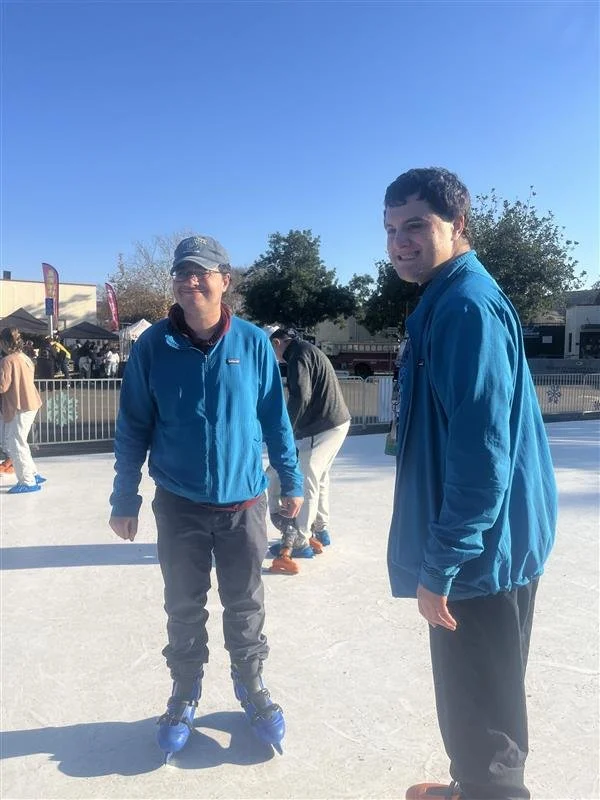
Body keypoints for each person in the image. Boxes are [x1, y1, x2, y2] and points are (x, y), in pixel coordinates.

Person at [382, 168, 557, 800]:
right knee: (482, 695)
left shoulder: (464, 307)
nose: (400, 241)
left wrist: (443, 562)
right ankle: (472, 787)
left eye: (416, 226)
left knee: (482, 716)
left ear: (458, 226)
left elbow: (482, 454)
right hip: (487, 544)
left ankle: (485, 791)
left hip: (480, 553)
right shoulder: (446, 298)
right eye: (391, 229)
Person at [108, 234, 303, 759]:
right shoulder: (153, 347)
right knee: (183, 606)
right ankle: (185, 688)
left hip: (244, 503)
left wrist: (292, 479)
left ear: (224, 281)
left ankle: (251, 684)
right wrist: (124, 496)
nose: (190, 281)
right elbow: (132, 427)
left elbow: (274, 419)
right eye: (182, 273)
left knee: (245, 603)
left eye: (201, 272)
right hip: (180, 505)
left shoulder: (254, 343)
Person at [265, 327, 351, 574]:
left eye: (272, 348)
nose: (274, 355)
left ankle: (301, 540)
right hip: (337, 423)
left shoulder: (297, 355)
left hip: (323, 426)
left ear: (278, 342)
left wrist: (286, 432)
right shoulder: (306, 350)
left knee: (306, 480)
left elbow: (301, 395)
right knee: (320, 477)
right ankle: (321, 529)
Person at [0, 327, 45, 493]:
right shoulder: (24, 358)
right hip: (30, 402)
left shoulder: (7, 361)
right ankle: (32, 473)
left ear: (4, 342)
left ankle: (27, 481)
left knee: (15, 443)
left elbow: (3, 386)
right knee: (20, 441)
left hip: (19, 404)